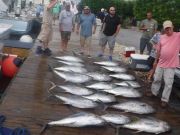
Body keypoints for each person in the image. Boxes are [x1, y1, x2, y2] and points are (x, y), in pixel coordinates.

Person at [146, 20, 180, 107]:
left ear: (173, 27)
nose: (168, 30)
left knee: (168, 83)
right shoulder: (162, 37)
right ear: (164, 29)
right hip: (160, 63)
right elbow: (158, 51)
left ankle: (164, 100)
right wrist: (155, 61)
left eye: (169, 28)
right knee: (157, 79)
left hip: (171, 65)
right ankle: (154, 93)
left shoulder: (178, 36)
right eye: (166, 29)